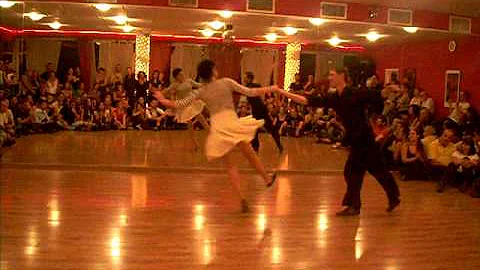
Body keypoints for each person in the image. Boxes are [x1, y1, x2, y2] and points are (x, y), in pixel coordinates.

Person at [154, 59, 278, 213]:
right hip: (231, 121)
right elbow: (250, 92)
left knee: (230, 164)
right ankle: (266, 178)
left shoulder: (201, 91)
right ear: (213, 70)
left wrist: (161, 99)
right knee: (249, 152)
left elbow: (178, 104)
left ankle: (242, 198)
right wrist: (270, 88)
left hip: (218, 127)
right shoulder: (226, 82)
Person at [274, 67, 400, 216]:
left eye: (332, 75)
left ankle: (355, 206)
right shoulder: (335, 97)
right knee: (376, 170)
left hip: (364, 139)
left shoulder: (355, 92)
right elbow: (309, 100)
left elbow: (377, 94)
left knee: (353, 172)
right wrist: (282, 92)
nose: (329, 78)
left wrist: (391, 89)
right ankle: (392, 196)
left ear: (342, 76)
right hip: (357, 140)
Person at [167, 68, 210, 149]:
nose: (182, 75)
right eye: (180, 74)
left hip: (192, 103)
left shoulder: (189, 81)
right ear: (176, 77)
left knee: (202, 119)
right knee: (190, 125)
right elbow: (170, 93)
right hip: (184, 106)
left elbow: (198, 85)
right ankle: (195, 144)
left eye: (182, 74)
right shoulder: (175, 85)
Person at [244, 72, 283, 153]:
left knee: (259, 128)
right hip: (258, 109)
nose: (244, 79)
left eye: (245, 77)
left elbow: (257, 90)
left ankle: (256, 147)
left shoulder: (249, 87)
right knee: (259, 128)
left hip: (260, 109)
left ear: (249, 78)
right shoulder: (253, 86)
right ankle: (277, 145)